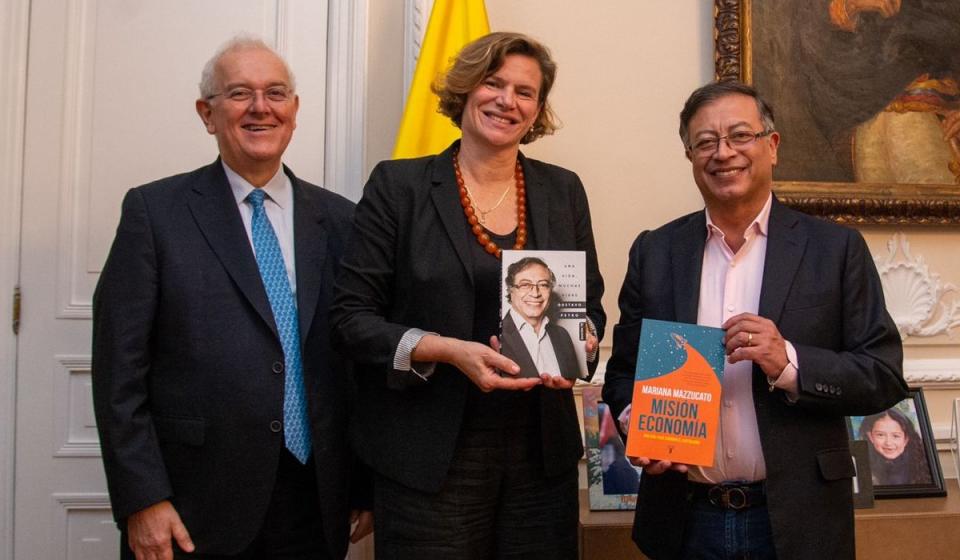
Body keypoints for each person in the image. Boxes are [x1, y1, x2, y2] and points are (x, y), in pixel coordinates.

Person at [602, 81, 907, 560]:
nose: (723, 153)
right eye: (706, 141)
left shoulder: (834, 249)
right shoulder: (656, 251)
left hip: (796, 521)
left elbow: (882, 376)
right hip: (685, 520)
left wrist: (787, 361)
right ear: (690, 155)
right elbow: (621, 373)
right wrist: (633, 422)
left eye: (740, 135)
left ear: (772, 145)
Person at [92, 36, 371, 559]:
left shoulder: (341, 220)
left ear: (294, 110)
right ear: (207, 113)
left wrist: (362, 484)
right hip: (192, 505)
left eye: (276, 93)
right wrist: (143, 497)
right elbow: (118, 372)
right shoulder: (155, 214)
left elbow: (355, 364)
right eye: (240, 93)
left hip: (314, 498)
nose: (260, 108)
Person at [330, 32, 605, 559]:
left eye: (525, 92)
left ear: (537, 109)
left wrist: (586, 339)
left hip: (539, 458)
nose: (507, 100)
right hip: (430, 458)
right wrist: (447, 349)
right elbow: (350, 319)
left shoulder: (562, 189)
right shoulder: (399, 187)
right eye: (493, 82)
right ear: (464, 90)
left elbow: (588, 302)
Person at [500, 257, 582, 380]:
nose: (535, 293)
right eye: (525, 285)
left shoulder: (562, 335)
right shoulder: (497, 333)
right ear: (510, 289)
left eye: (543, 285)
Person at [860, 408, 932, 486]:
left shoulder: (920, 464)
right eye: (880, 435)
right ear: (870, 436)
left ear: (906, 439)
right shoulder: (862, 466)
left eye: (896, 436)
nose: (888, 443)